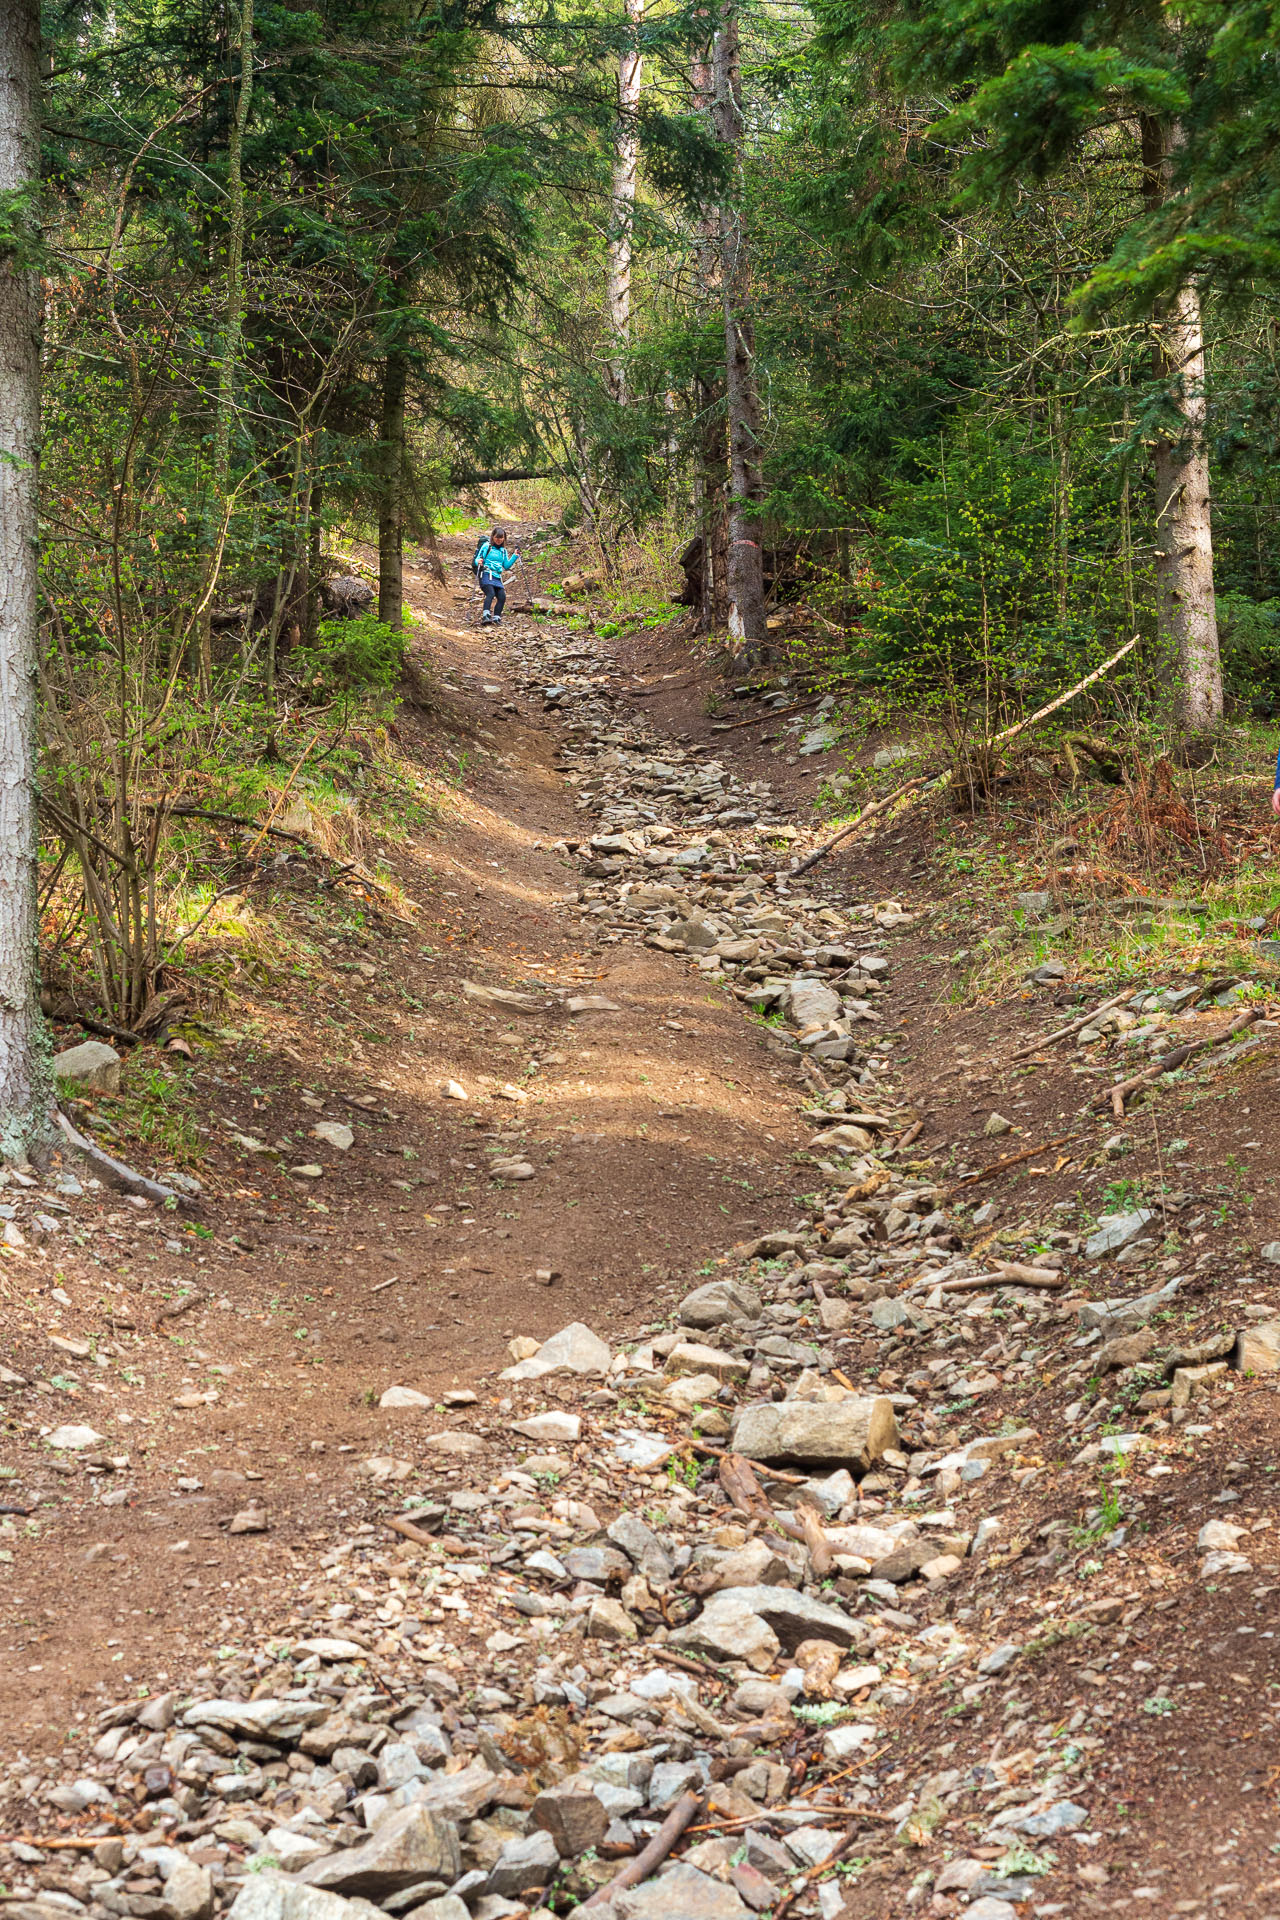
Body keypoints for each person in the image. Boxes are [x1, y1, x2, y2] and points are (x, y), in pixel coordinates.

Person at [475, 527, 520, 624]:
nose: (498, 540)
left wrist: (515, 556)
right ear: (492, 537)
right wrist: (478, 561)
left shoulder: (503, 551)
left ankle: (496, 617)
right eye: (496, 538)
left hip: (497, 576)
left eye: (500, 538)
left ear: (504, 538)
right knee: (490, 593)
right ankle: (486, 616)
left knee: (502, 596)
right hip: (486, 573)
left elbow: (506, 565)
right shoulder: (487, 546)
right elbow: (478, 558)